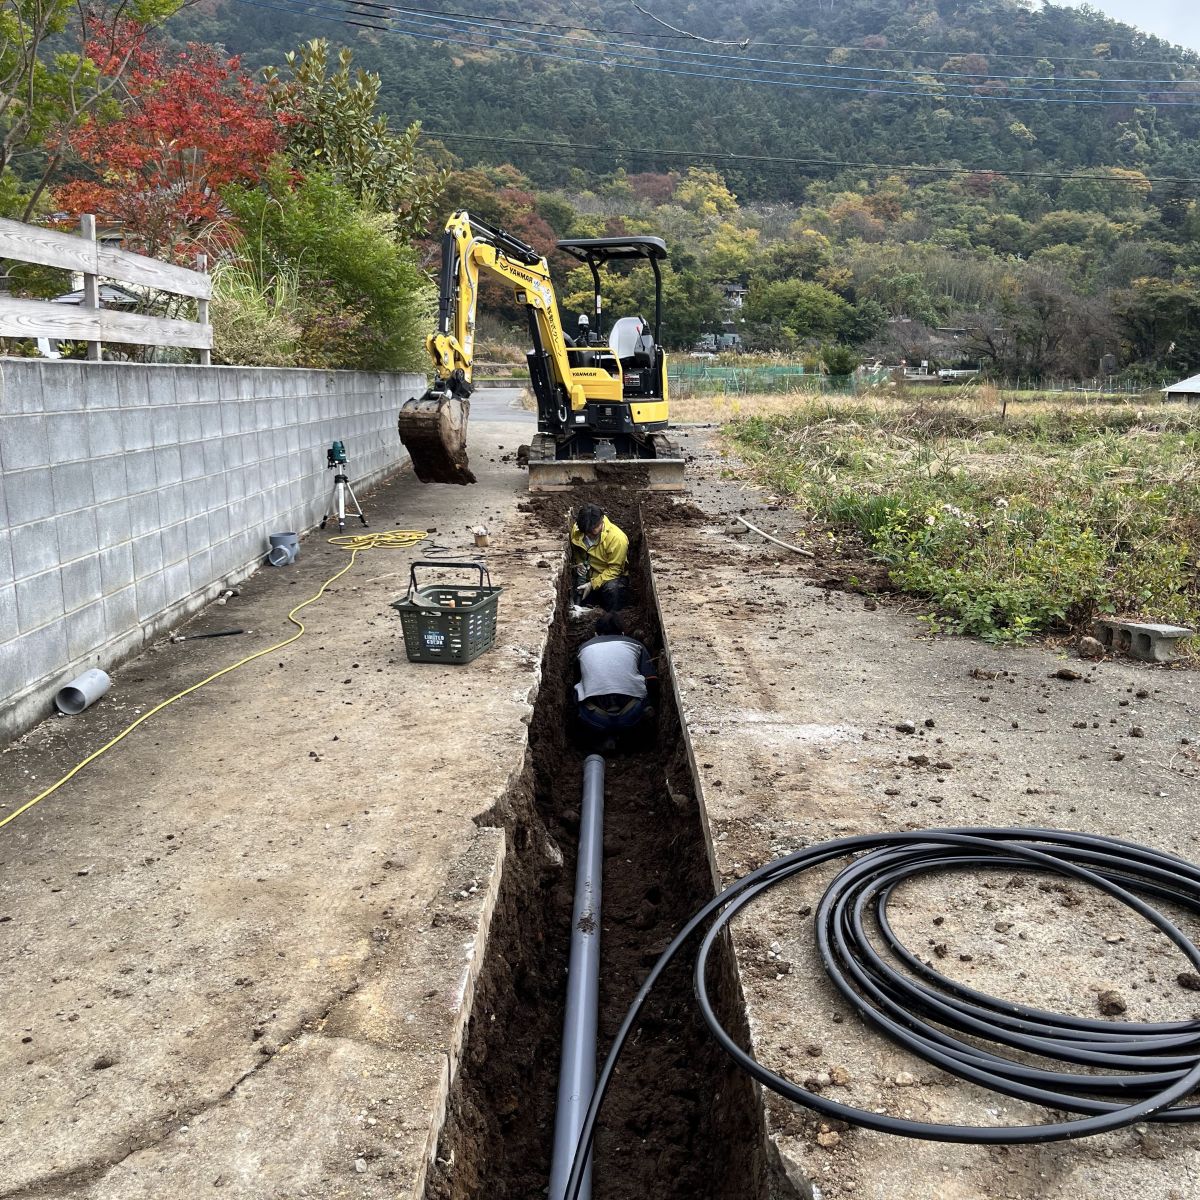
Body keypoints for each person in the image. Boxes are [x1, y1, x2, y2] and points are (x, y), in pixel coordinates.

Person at [575, 613, 656, 745]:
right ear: (623, 633)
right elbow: (652, 680)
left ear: (596, 634)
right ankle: (640, 734)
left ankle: (592, 737)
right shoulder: (636, 645)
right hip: (632, 713)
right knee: (645, 690)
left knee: (578, 689)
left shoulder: (584, 648)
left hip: (594, 717)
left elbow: (577, 679)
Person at [569, 504, 630, 611]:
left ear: (601, 521)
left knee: (612, 590)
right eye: (586, 532)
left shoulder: (617, 539)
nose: (588, 535)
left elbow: (615, 570)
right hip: (589, 574)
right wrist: (579, 563)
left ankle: (612, 616)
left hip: (610, 576)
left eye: (592, 531)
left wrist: (592, 584)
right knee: (575, 590)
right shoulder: (578, 530)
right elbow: (577, 550)